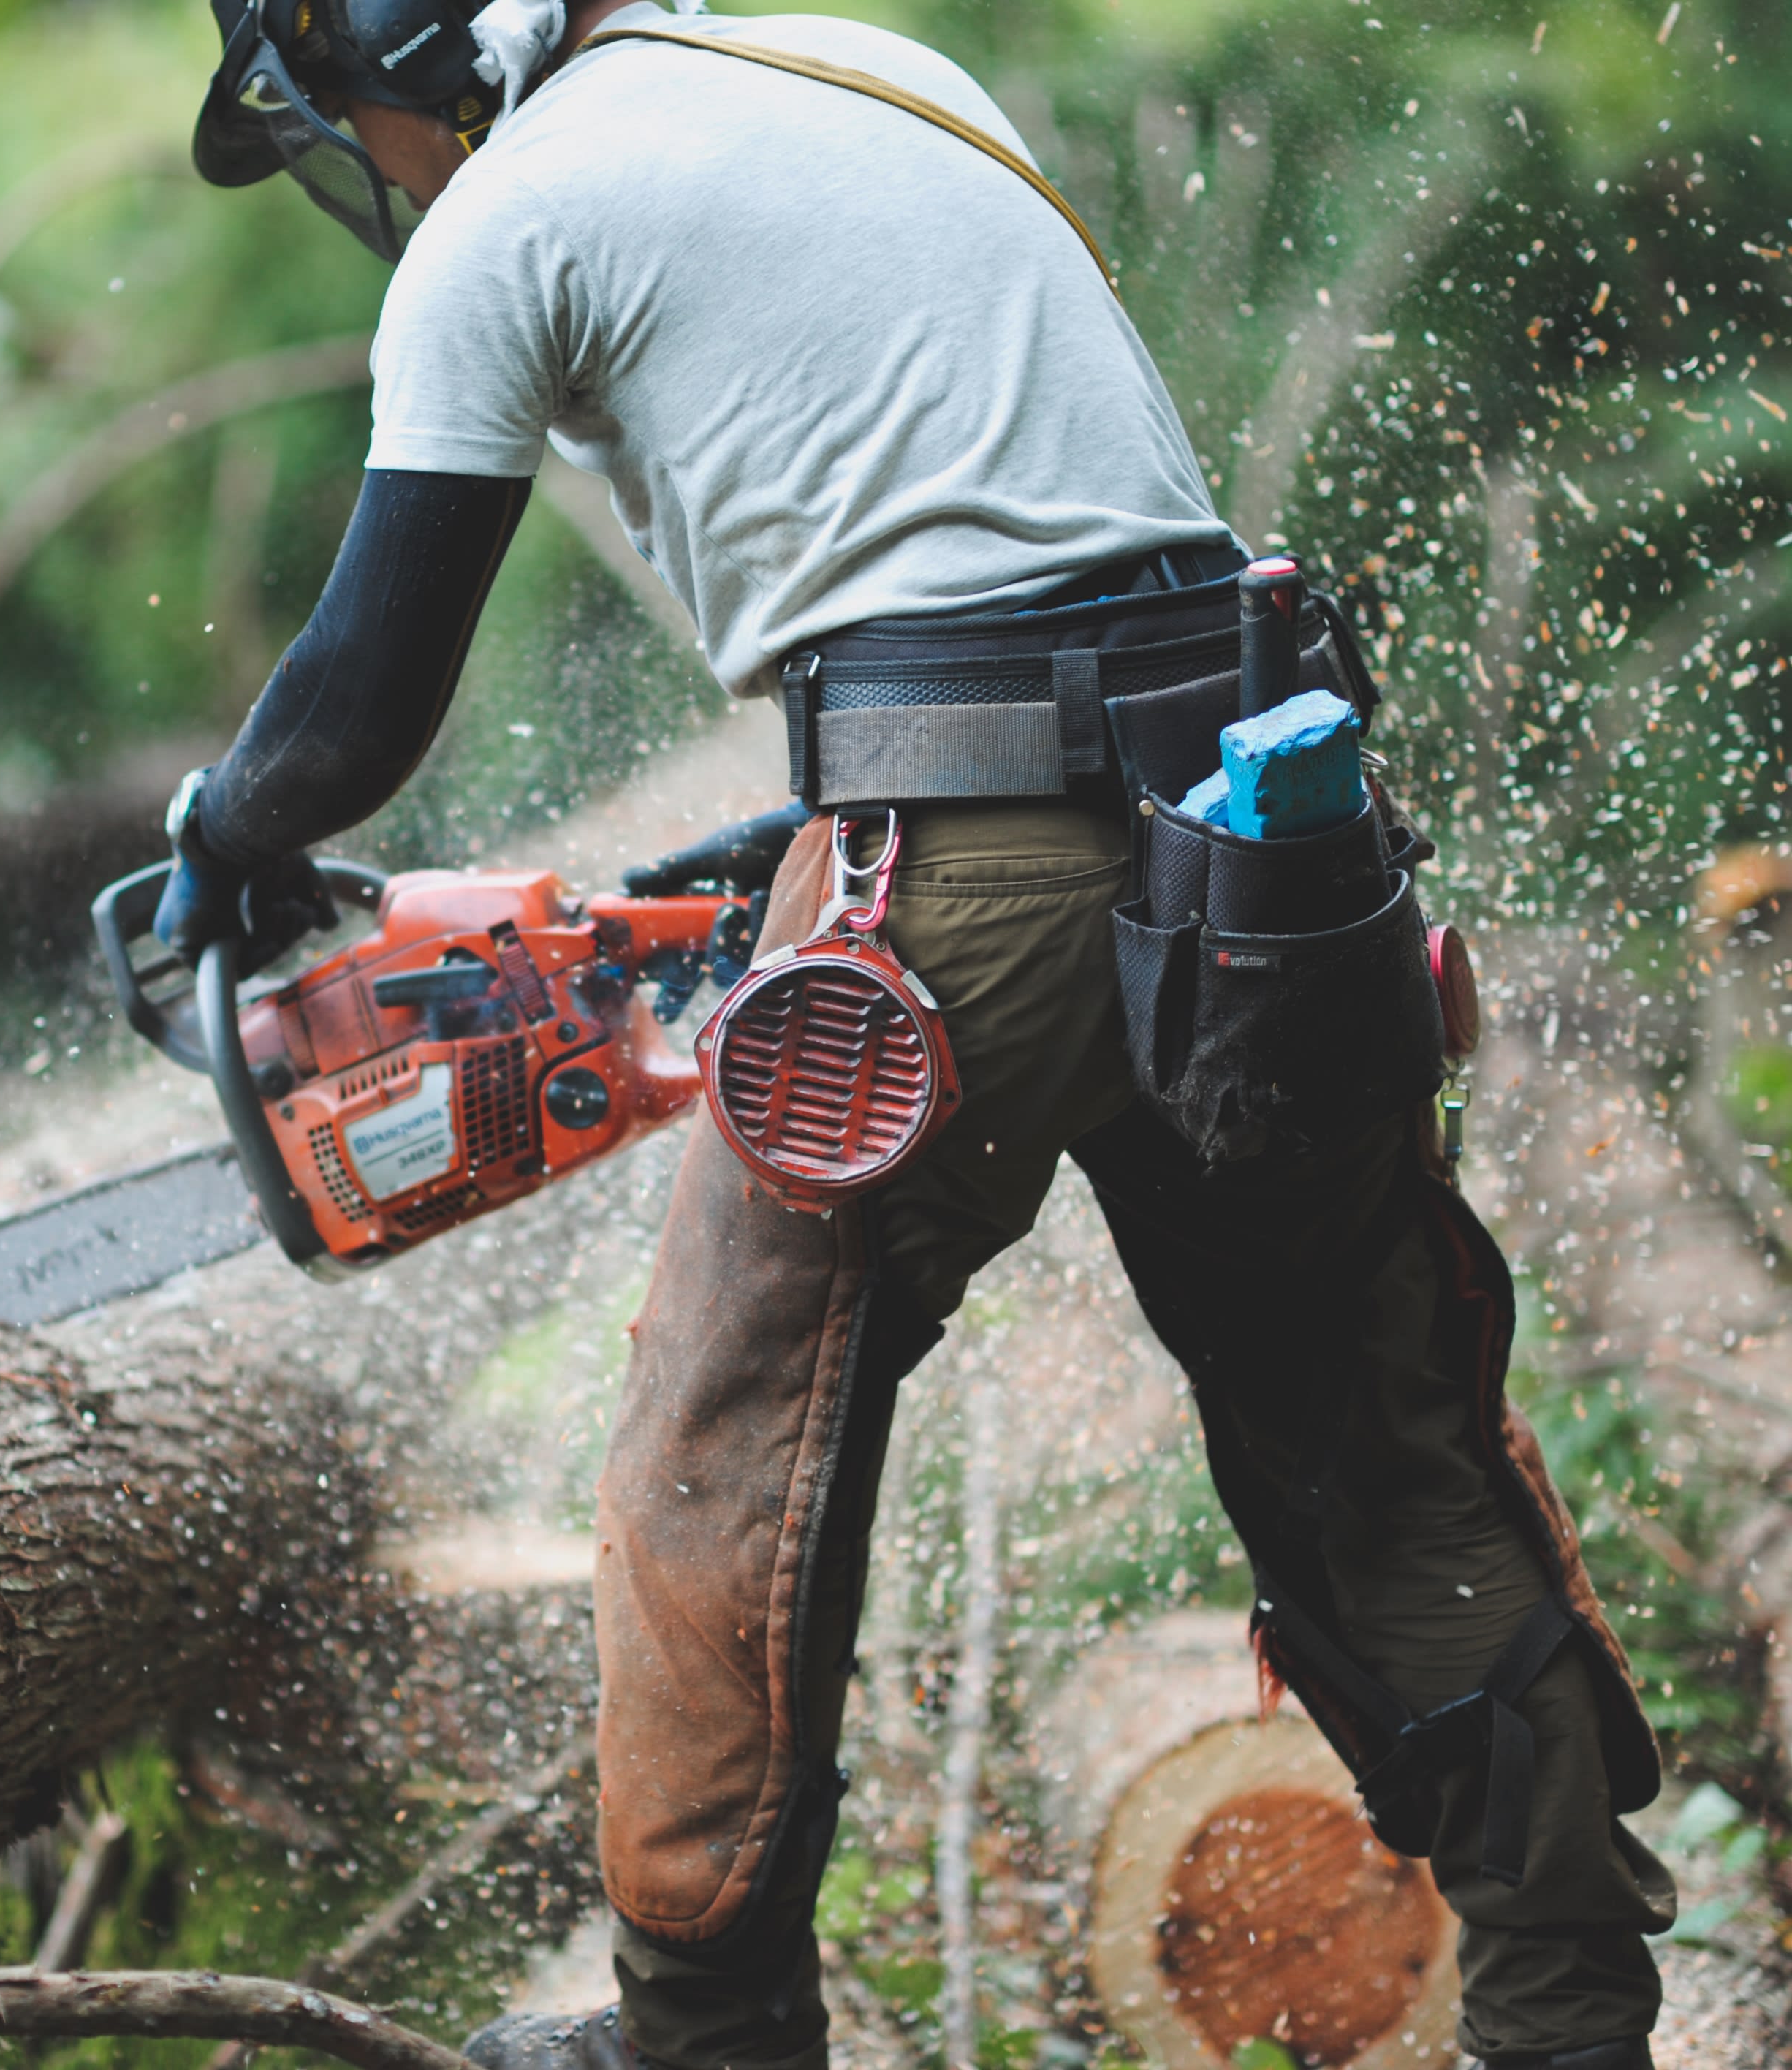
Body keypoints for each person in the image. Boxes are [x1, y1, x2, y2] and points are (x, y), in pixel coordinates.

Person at [157, 2, 1677, 2065]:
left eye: (350, 111)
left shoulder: (509, 219)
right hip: (1254, 846)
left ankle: (705, 2033)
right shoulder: (875, 70)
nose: (382, 158)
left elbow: (360, 696)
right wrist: (808, 818)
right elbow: (1034, 555)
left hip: (957, 910)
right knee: (1380, 1436)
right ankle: (1574, 2012)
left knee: (729, 1453)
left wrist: (226, 836)